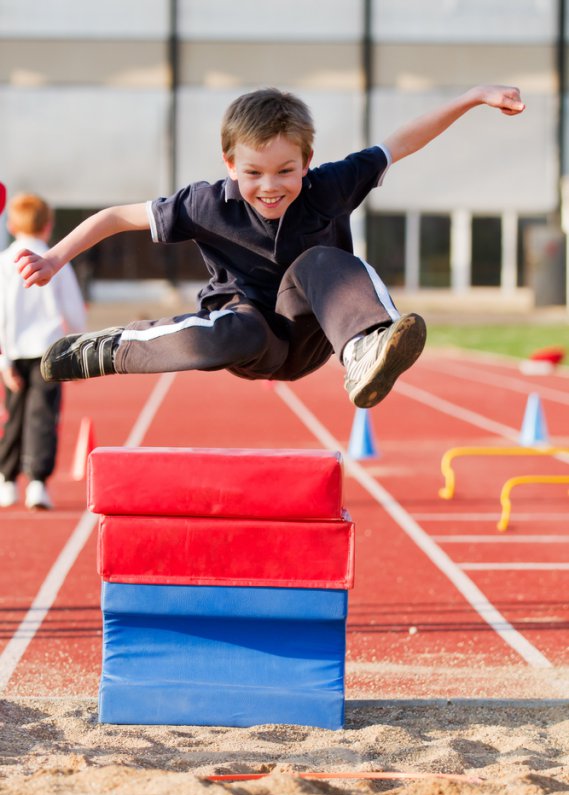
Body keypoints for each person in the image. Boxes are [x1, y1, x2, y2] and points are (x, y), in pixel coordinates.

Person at [14, 85, 524, 411]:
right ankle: (109, 349)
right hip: (247, 340)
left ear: (307, 161)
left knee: (319, 261)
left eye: (285, 171)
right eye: (254, 172)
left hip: (314, 335)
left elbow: (401, 143)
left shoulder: (329, 186)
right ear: (230, 164)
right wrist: (55, 257)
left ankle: (366, 346)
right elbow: (116, 217)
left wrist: (473, 97)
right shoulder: (205, 204)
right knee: (238, 327)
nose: (270, 187)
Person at [0, 193, 86, 509]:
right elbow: (73, 310)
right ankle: (37, 483)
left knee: (13, 415)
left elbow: (1, 312)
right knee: (44, 416)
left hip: (13, 350)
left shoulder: (4, 262)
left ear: (11, 226)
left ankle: (7, 481)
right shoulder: (56, 260)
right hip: (48, 352)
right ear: (48, 226)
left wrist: (4, 360)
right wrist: (77, 351)